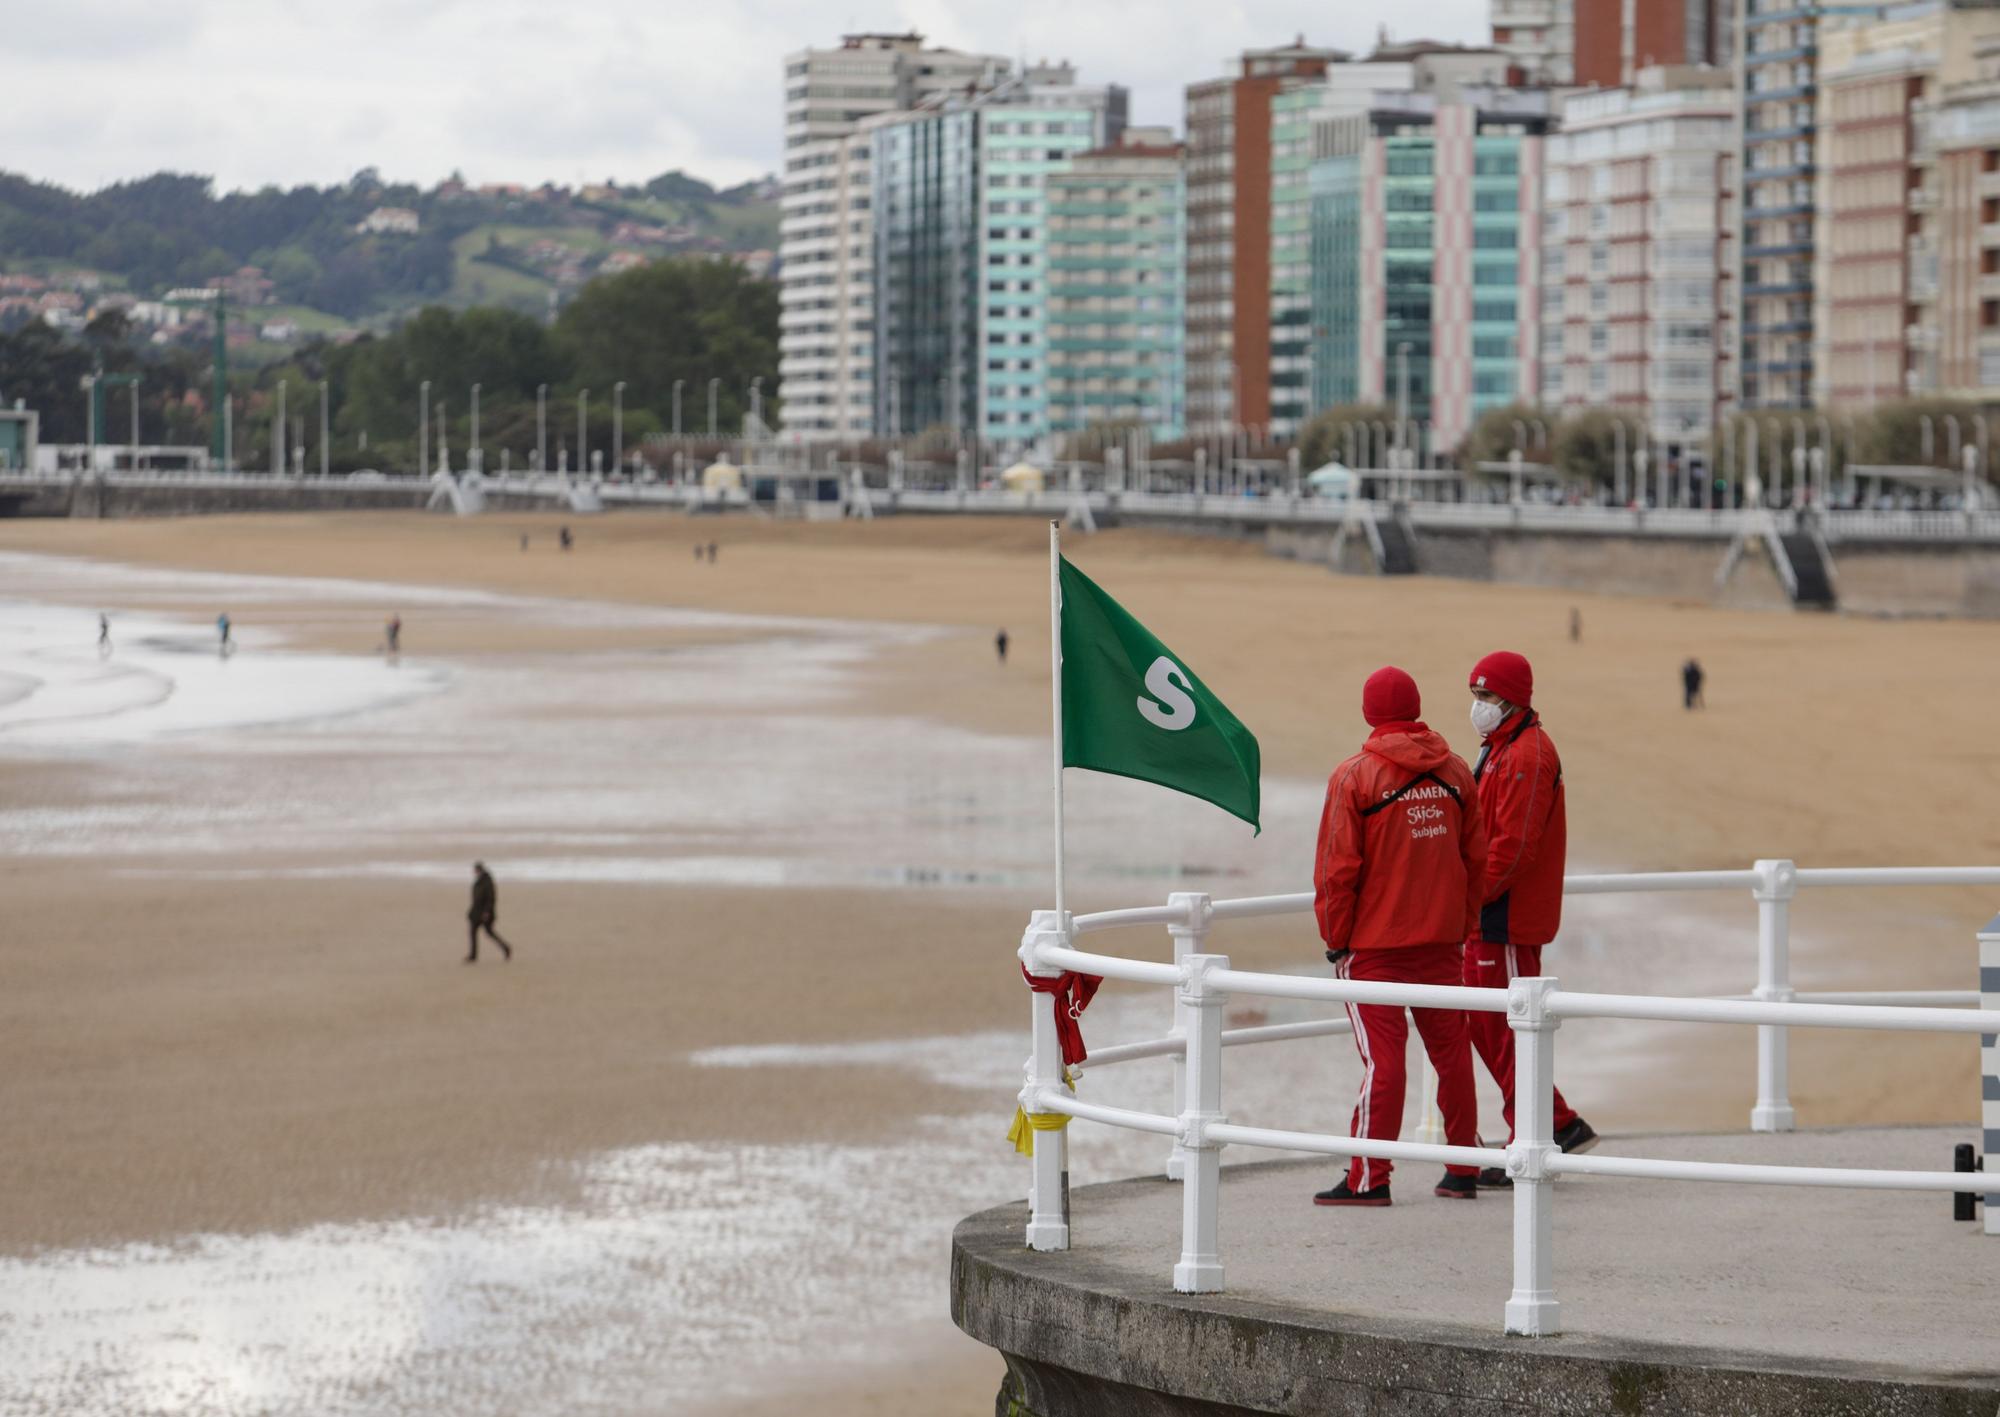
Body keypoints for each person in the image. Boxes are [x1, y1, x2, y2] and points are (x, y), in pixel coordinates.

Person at [1312, 666, 1487, 1206]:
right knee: (1452, 1054)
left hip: (1375, 948)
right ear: (1415, 708)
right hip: (1441, 942)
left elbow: (1337, 870)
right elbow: (1474, 860)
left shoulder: (1354, 776)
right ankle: (1464, 1167)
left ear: (1370, 712)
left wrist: (1337, 939)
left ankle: (1370, 1177)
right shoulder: (1457, 771)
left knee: (1383, 1061)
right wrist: (1462, 926)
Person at [1463, 651, 1596, 1187]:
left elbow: (1514, 848)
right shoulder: (1502, 748)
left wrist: (1471, 899)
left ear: (1513, 698)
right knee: (1488, 1026)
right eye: (1475, 697)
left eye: (1486, 698)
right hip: (1492, 913)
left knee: (1508, 1028)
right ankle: (1555, 1124)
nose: (1478, 708)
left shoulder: (1527, 755)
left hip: (1508, 916)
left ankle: (1536, 1133)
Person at [465, 861, 513, 963]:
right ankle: (473, 956)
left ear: (480, 870)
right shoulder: (478, 881)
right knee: (473, 932)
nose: (474, 872)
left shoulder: (487, 882)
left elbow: (491, 899)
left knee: (489, 933)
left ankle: (506, 948)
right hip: (476, 913)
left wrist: (486, 912)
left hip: (485, 914)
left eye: (476, 870)